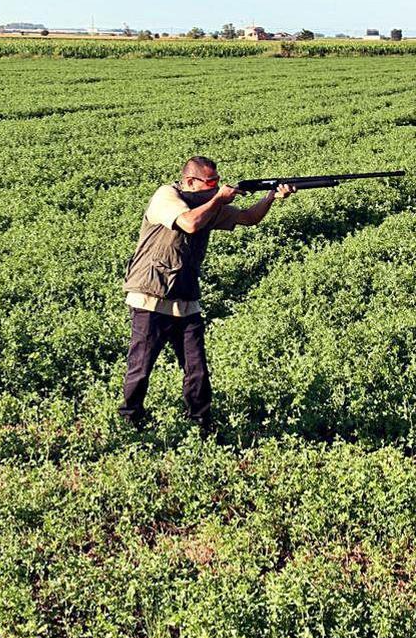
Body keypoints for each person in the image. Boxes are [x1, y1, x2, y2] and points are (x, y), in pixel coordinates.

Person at [119, 156, 293, 436]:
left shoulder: (208, 205)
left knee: (196, 367)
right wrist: (218, 200)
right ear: (189, 181)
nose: (215, 186)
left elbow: (249, 218)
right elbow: (189, 223)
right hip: (151, 295)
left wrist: (273, 195)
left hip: (185, 296)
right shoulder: (167, 196)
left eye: (217, 181)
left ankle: (200, 421)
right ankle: (129, 419)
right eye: (210, 182)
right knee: (141, 366)